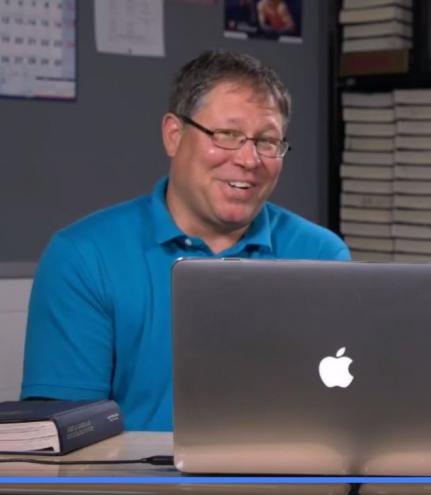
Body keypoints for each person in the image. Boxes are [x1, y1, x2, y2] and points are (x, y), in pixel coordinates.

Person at [21, 51, 350, 431]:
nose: (249, 159)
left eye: (267, 141)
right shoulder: (82, 257)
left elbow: (340, 420)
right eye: (227, 135)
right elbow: (65, 441)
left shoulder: (323, 255)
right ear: (174, 136)